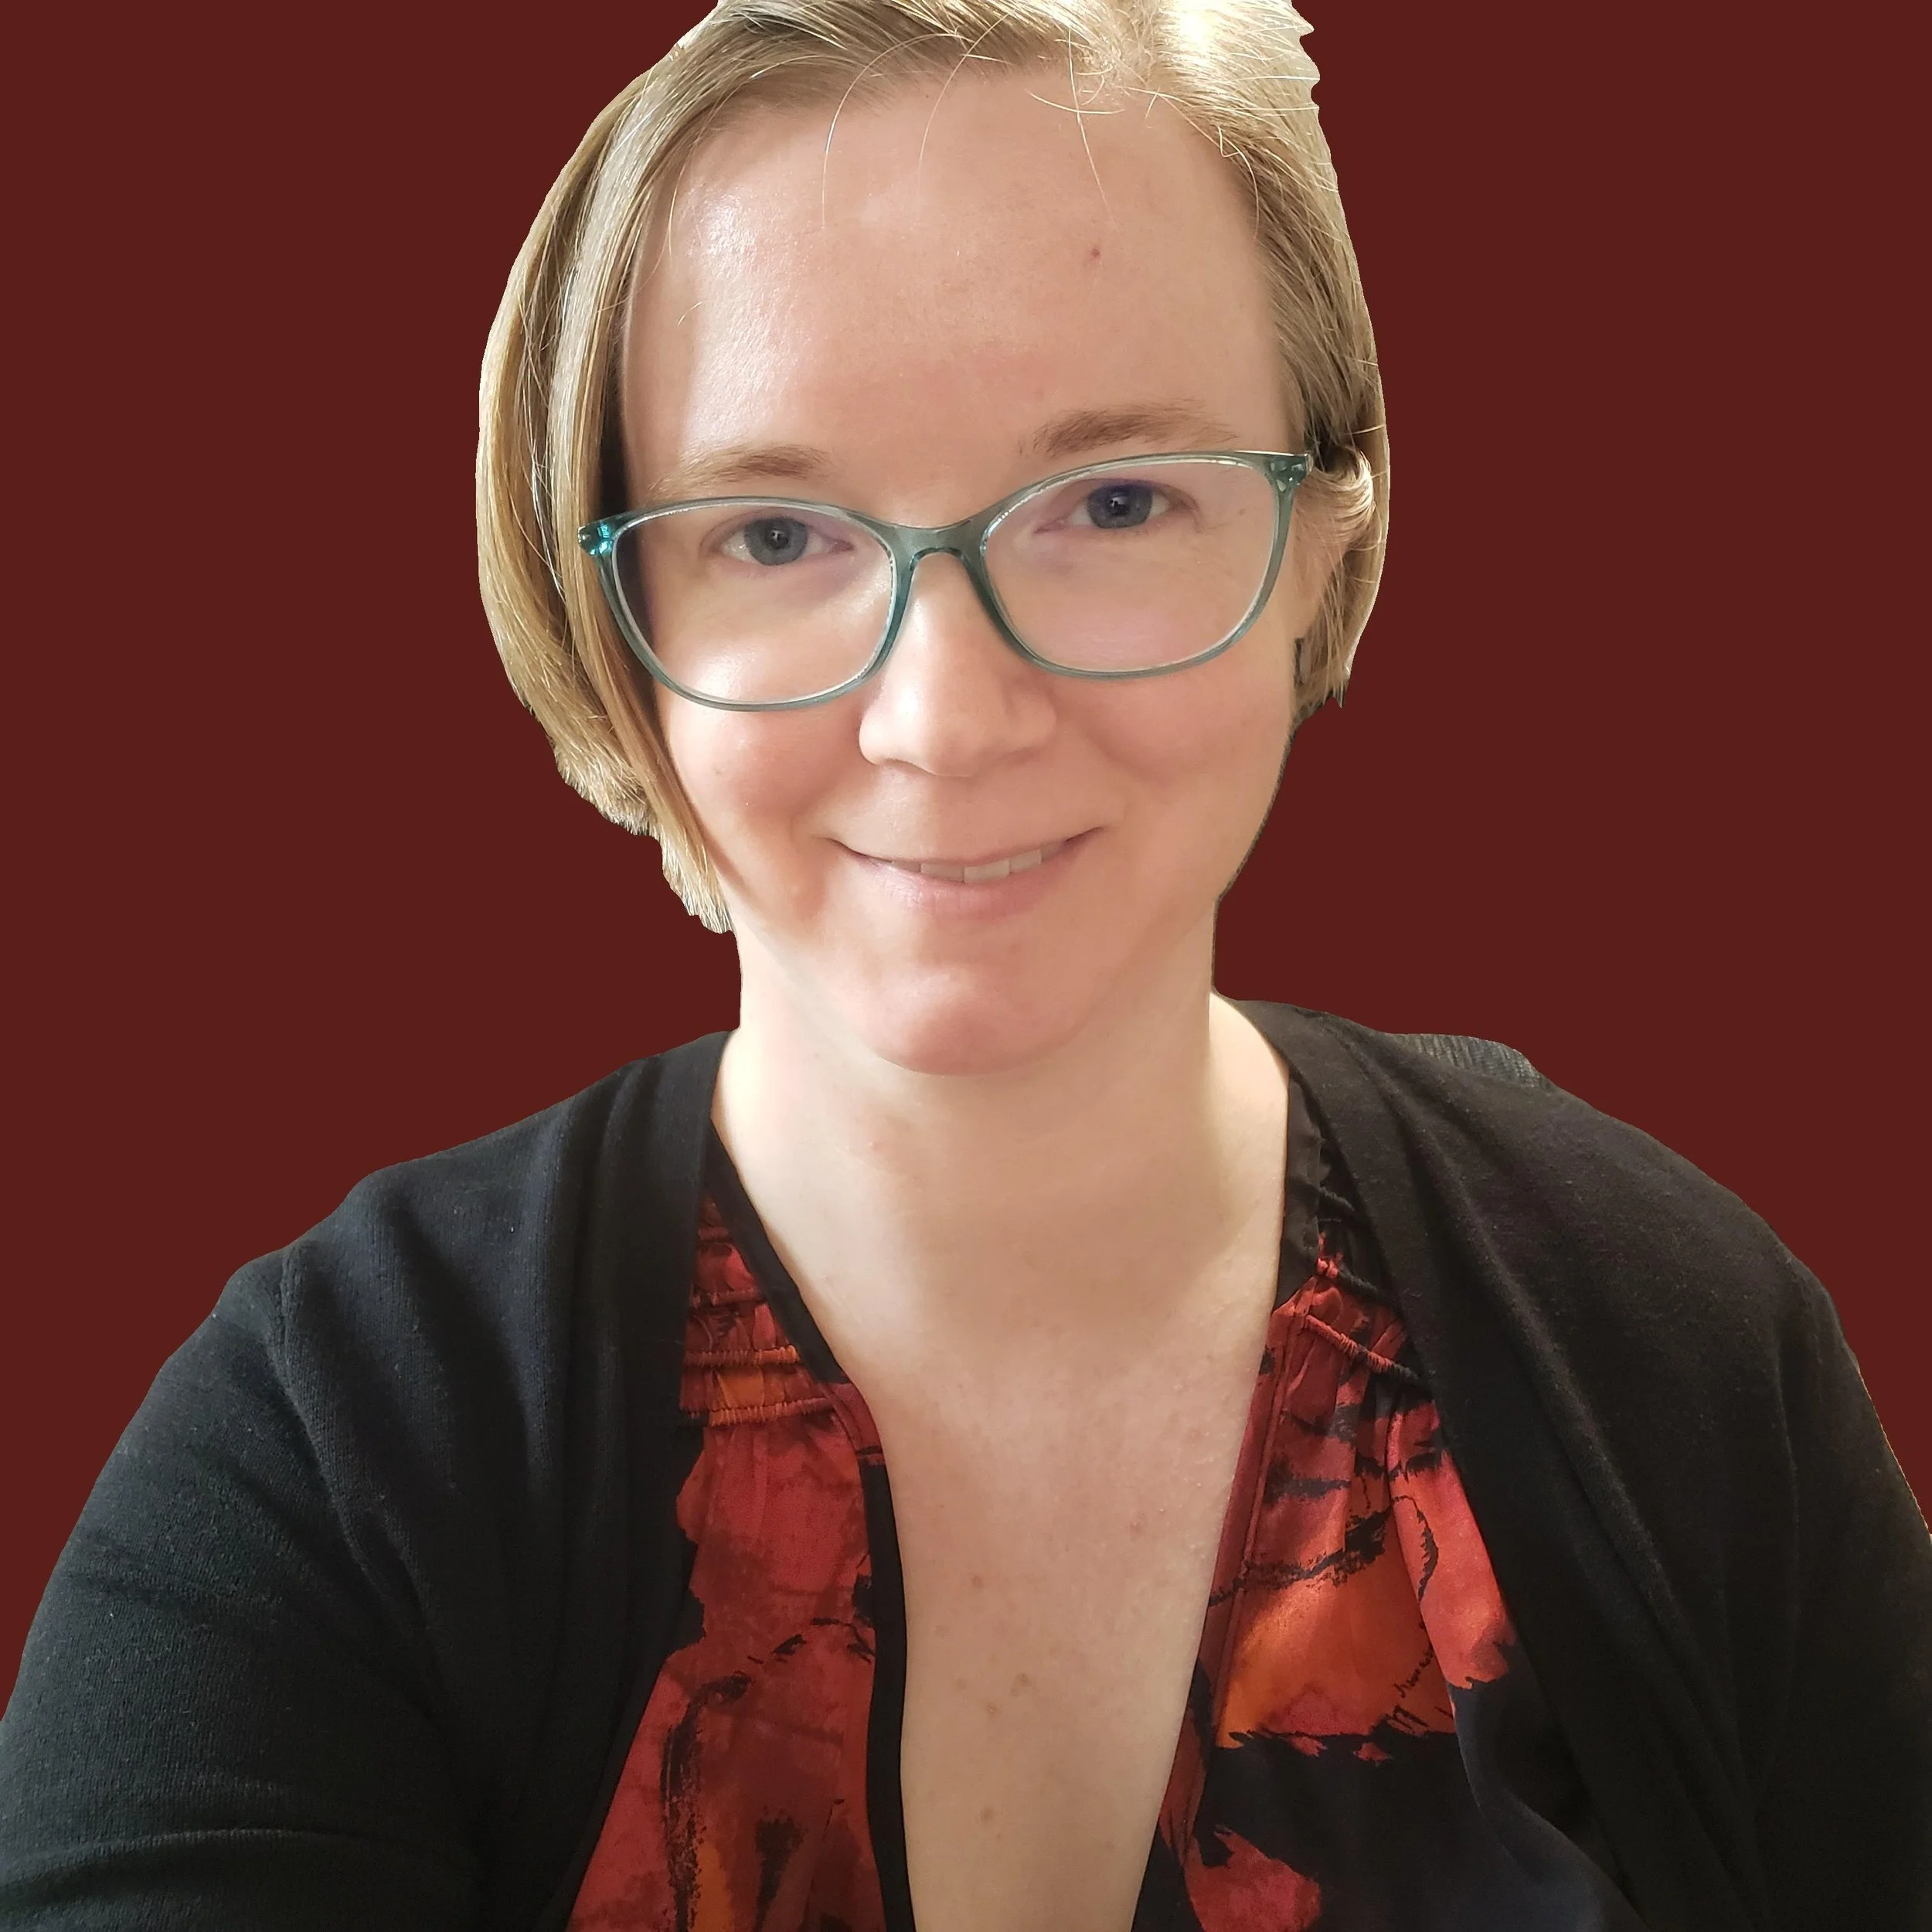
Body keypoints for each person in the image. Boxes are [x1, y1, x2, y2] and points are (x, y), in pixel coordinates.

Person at [2, 0, 1927, 1927]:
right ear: (612, 621)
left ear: (1324, 544)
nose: (943, 715)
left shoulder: (1677, 1345)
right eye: (772, 529)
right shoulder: (332, 1456)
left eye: (1113, 501)